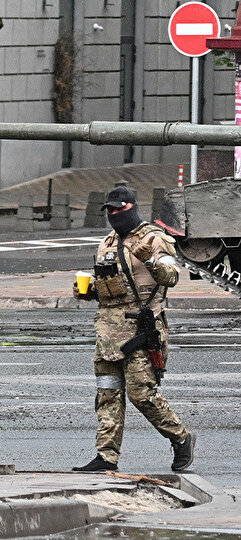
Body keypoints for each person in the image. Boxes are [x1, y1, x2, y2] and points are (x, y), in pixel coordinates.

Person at [73, 185, 196, 473]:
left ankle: (181, 438)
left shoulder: (154, 238)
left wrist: (150, 259)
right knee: (107, 395)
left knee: (142, 395)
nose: (114, 214)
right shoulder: (107, 242)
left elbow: (172, 277)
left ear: (132, 207)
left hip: (141, 330)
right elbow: (108, 288)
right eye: (110, 210)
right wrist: (88, 290)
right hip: (107, 335)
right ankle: (106, 457)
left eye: (119, 208)